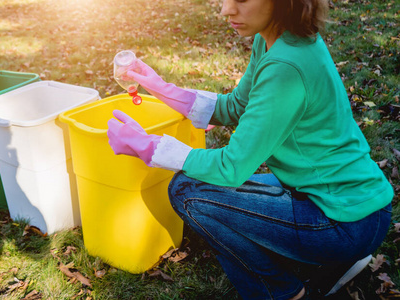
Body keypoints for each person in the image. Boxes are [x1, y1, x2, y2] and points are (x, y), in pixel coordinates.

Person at [106, 0, 394, 298]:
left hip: (344, 222)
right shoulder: (275, 40)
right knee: (204, 190)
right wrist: (162, 88)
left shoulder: (285, 66)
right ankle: (329, 261)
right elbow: (236, 106)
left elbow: (231, 167)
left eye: (242, 0)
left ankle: (282, 292)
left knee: (186, 191)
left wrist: (151, 147)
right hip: (345, 202)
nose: (226, 10)